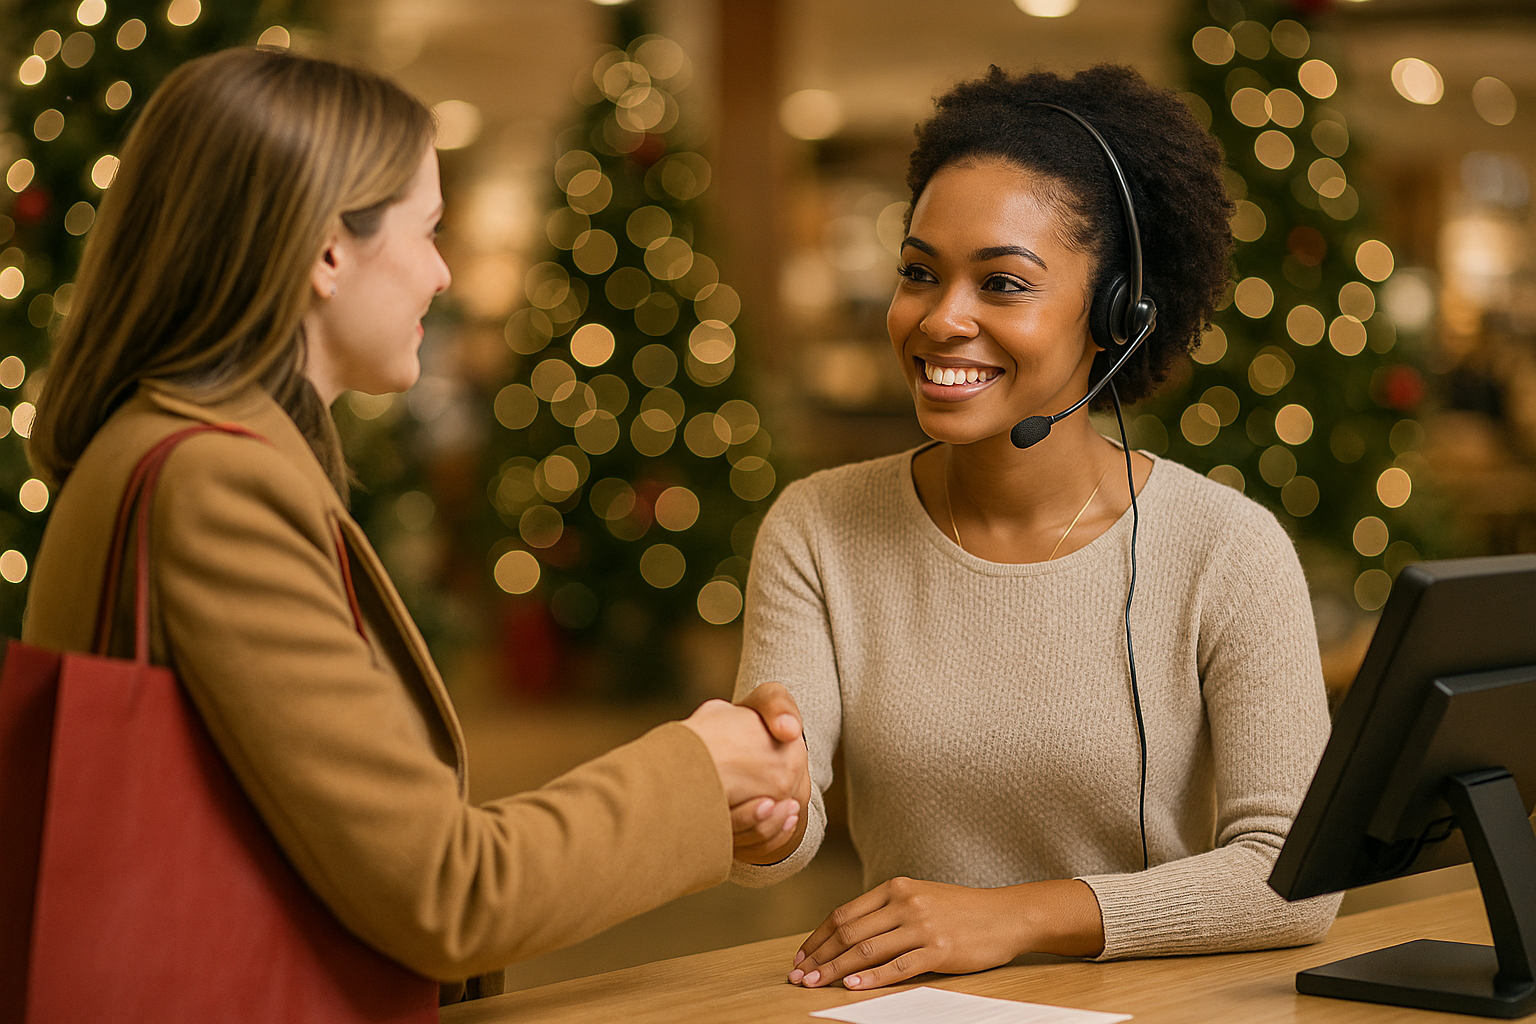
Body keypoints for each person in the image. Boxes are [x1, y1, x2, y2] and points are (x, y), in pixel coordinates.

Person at [23, 47, 808, 1002]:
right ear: (325, 249)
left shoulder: (178, 448)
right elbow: (447, 891)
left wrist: (705, 798)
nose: (443, 275)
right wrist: (698, 765)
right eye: (429, 230)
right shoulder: (220, 483)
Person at [731, 65, 1341, 992]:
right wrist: (762, 816)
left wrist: (1018, 917)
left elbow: (1297, 881)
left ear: (1118, 315)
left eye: (1003, 284)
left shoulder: (1227, 548)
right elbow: (781, 838)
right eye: (918, 273)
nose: (942, 320)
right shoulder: (818, 529)